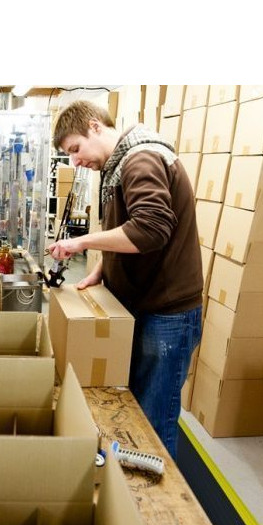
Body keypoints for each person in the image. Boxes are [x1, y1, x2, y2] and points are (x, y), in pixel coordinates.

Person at [47, 100, 202, 459]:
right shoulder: (117, 165)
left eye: (76, 149)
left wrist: (83, 242)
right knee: (133, 410)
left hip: (167, 313)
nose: (75, 161)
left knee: (153, 419)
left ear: (94, 127)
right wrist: (103, 267)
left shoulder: (141, 159)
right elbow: (127, 229)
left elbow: (150, 230)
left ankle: (153, 491)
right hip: (143, 303)